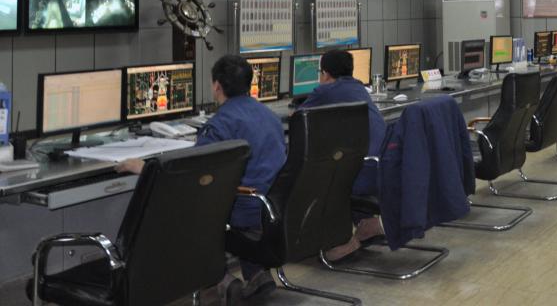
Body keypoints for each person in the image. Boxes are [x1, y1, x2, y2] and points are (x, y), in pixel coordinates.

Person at [117, 55, 286, 301]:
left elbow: (194, 178)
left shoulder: (220, 125)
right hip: (270, 208)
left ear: (216, 86)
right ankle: (256, 275)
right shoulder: (270, 116)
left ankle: (222, 280)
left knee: (177, 212)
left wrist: (145, 168)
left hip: (243, 210)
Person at [300, 49, 389, 260]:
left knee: (319, 177)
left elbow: (299, 117)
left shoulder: (326, 90)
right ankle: (367, 225)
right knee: (345, 164)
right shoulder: (359, 88)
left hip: (365, 173)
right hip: (384, 167)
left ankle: (340, 241)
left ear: (325, 74)